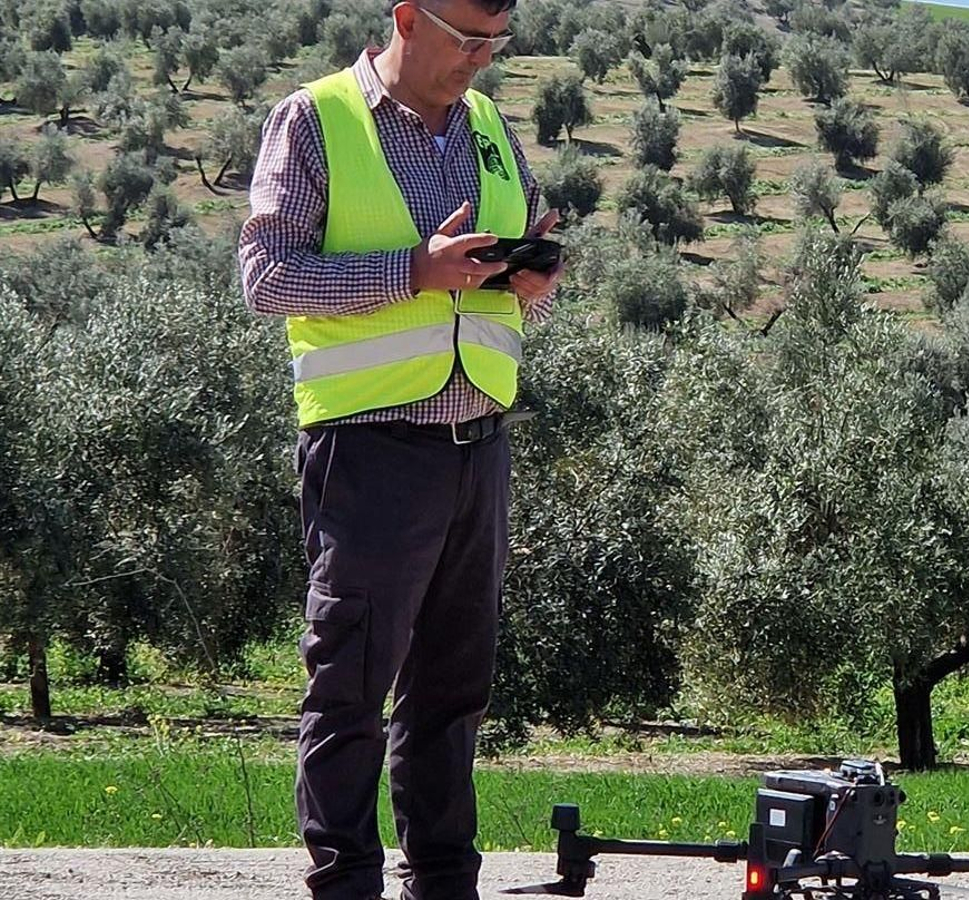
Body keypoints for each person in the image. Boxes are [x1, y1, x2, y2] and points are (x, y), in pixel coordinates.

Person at [236, 2, 559, 899]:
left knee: (455, 693)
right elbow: (265, 276)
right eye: (468, 41)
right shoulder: (316, 118)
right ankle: (345, 885)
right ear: (408, 17)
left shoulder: (490, 126)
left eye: (496, 44)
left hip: (478, 443)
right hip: (370, 448)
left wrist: (538, 273)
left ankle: (446, 882)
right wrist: (413, 271)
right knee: (351, 688)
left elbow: (520, 237)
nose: (482, 61)